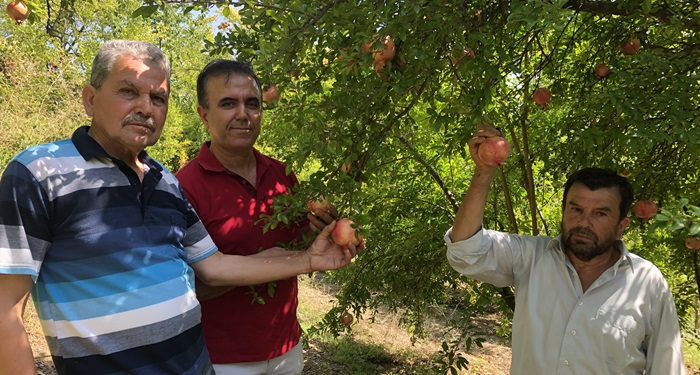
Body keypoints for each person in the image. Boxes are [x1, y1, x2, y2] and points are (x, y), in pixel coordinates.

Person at [0, 40, 359, 375]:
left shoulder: (166, 183)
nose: (145, 107)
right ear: (90, 100)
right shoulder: (39, 172)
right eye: (128, 91)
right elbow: (5, 309)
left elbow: (215, 267)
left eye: (158, 98)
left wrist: (309, 259)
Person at [444, 123, 686, 374]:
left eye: (600, 213)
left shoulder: (648, 283)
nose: (584, 222)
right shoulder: (531, 257)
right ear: (564, 212)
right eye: (576, 209)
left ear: (621, 226)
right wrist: (484, 171)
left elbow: (666, 367)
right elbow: (464, 251)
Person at [175, 59, 361, 375]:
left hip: (286, 347)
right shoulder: (184, 187)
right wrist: (270, 262)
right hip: (220, 358)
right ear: (204, 114)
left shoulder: (282, 174)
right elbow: (188, 290)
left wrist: (328, 232)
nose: (243, 114)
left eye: (252, 103)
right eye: (228, 103)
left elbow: (301, 246)